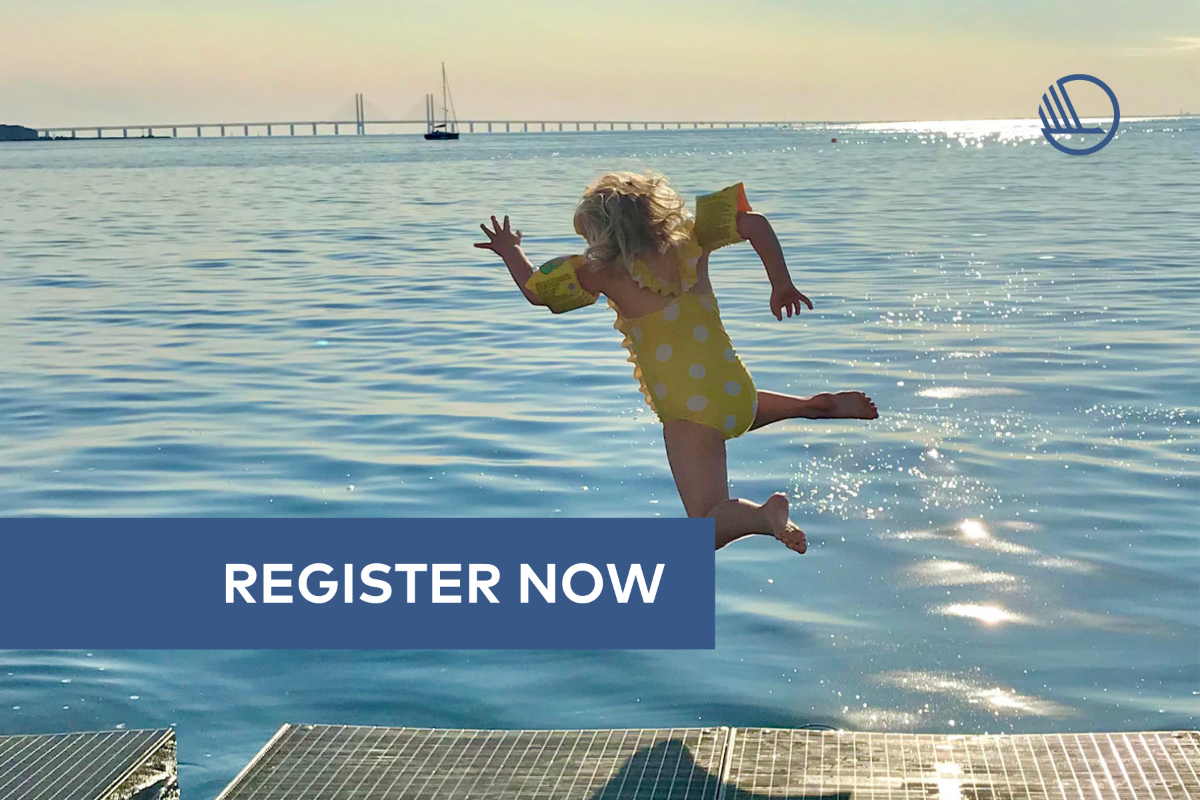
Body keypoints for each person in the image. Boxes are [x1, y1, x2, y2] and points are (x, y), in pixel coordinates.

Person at [475, 172, 877, 553]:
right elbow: (754, 223)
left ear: (602, 235)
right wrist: (781, 284)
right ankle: (814, 407)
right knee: (728, 408)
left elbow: (536, 293)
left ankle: (763, 516)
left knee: (705, 526)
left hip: (689, 412)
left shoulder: (600, 271)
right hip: (736, 391)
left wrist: (510, 249)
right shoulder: (693, 238)